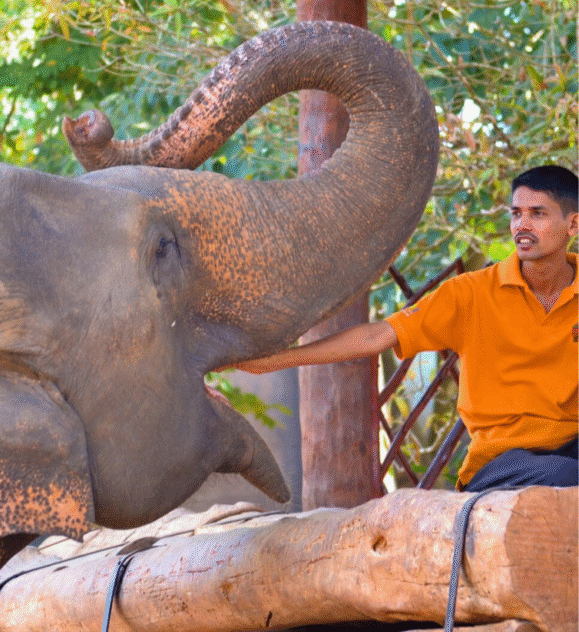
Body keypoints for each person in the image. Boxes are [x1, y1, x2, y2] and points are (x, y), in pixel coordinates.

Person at [231, 165, 578, 491]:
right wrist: (274, 360)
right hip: (501, 464)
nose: (522, 225)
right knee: (569, 476)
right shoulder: (470, 293)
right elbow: (376, 335)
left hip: (571, 448)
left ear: (573, 225)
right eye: (516, 213)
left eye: (538, 213)